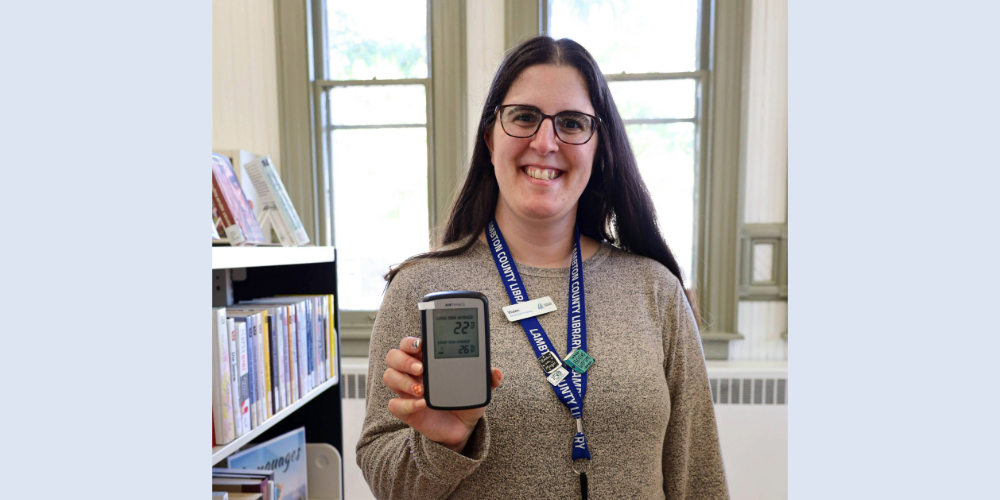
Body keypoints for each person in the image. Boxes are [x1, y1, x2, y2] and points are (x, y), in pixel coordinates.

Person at [357, 36, 729, 499]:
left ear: (598, 147)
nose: (545, 142)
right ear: (490, 136)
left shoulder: (655, 290)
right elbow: (389, 484)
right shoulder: (421, 289)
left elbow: (698, 477)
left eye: (572, 123)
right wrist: (443, 442)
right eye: (524, 117)